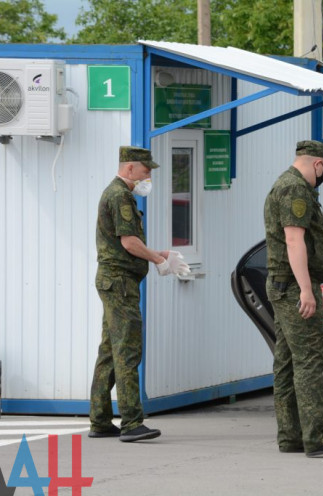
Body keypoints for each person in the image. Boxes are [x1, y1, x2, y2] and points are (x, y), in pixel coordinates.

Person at [89, 145, 190, 443]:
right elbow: (129, 242)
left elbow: (129, 244)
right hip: (119, 283)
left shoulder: (117, 193)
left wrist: (159, 253)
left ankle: (100, 419)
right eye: (146, 172)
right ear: (130, 168)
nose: (148, 178)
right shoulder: (120, 195)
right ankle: (132, 421)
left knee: (109, 351)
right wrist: (158, 260)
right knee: (127, 350)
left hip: (114, 280)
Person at [263, 140, 323, 458]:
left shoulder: (284, 184)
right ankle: (317, 436)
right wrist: (306, 289)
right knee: (309, 360)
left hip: (281, 283)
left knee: (287, 362)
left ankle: (291, 436)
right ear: (318, 164)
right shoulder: (295, 189)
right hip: (293, 286)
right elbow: (294, 240)